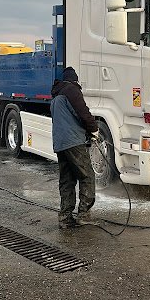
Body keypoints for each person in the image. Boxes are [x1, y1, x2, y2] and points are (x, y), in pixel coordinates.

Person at [50, 67, 99, 228]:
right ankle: (84, 214)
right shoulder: (72, 90)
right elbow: (83, 113)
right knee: (87, 176)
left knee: (67, 180)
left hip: (60, 144)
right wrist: (93, 129)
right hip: (73, 142)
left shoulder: (56, 96)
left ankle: (65, 217)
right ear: (74, 80)